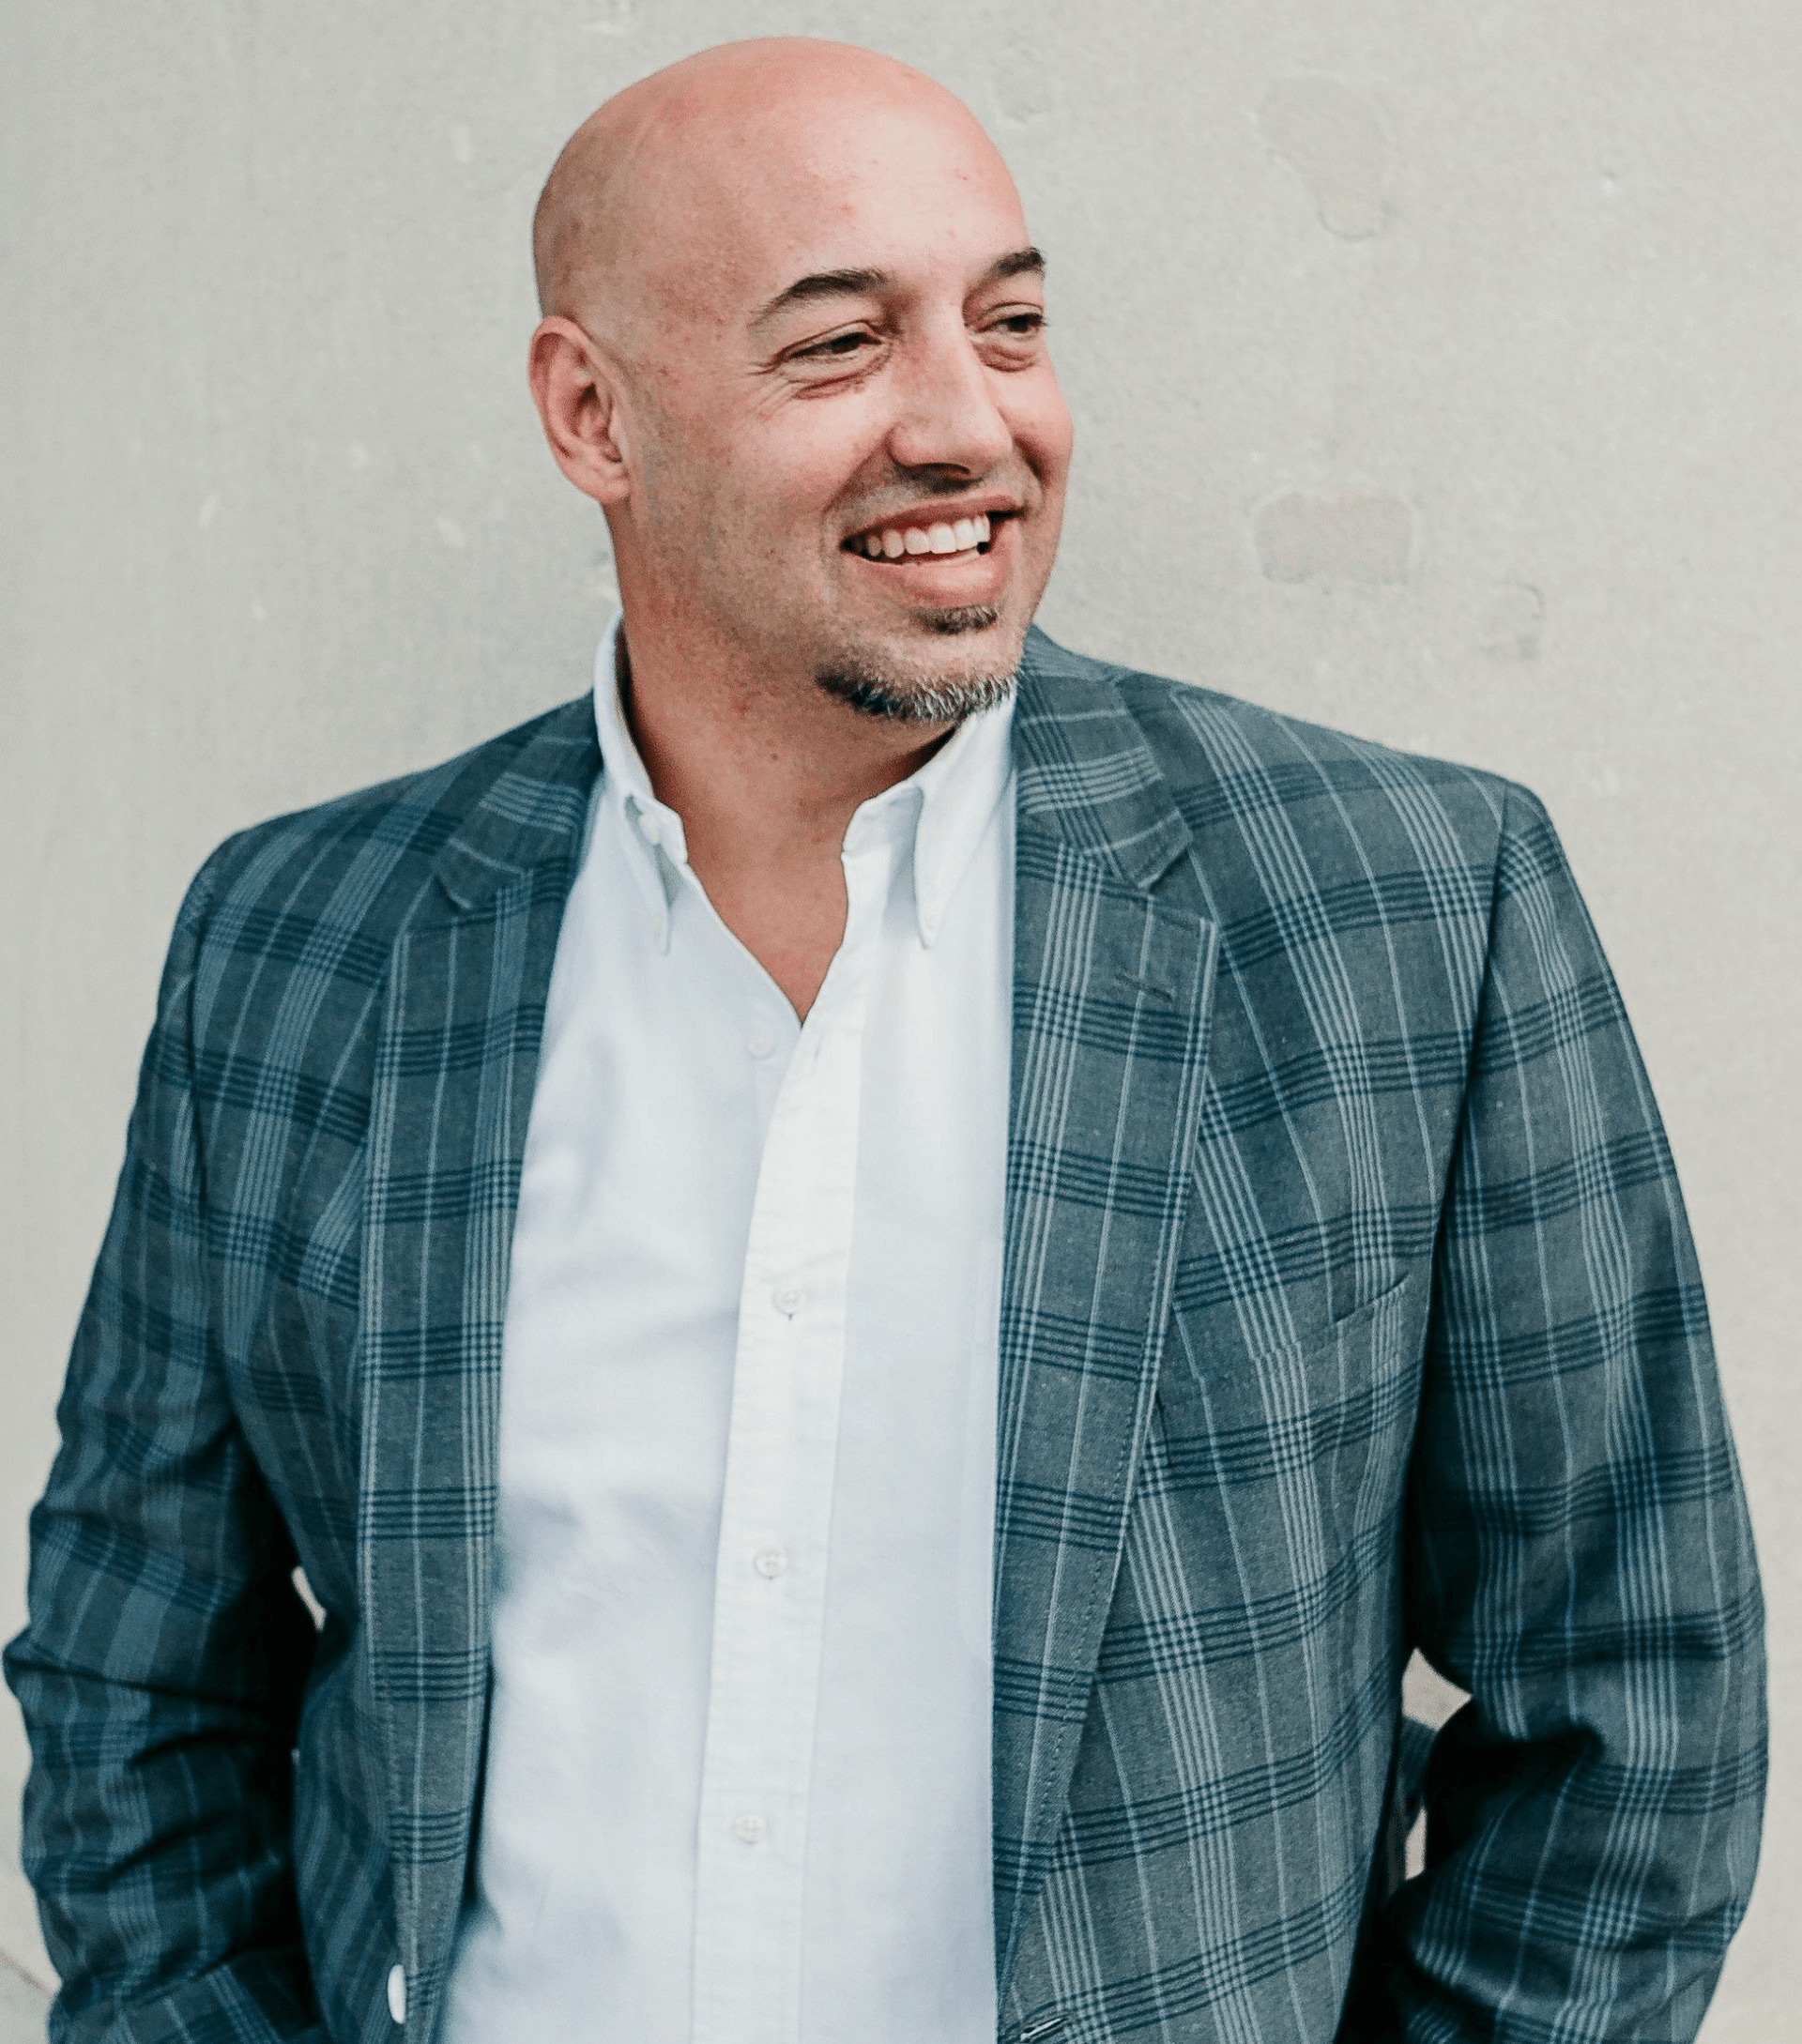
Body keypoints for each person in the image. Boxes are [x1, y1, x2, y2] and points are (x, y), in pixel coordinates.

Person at [5, 35, 1764, 2044]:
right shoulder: (301, 941)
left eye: (1010, 327)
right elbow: (143, 1677)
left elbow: (1640, 1704)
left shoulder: (1411, 910)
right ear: (594, 412)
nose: (970, 425)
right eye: (839, 348)